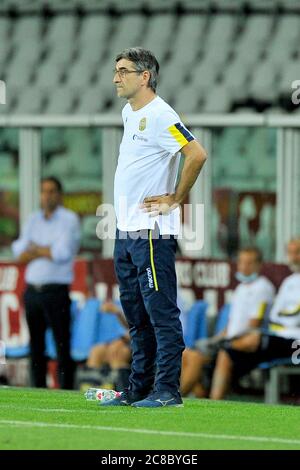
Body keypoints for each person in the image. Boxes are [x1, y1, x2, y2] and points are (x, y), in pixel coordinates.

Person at [102, 47, 207, 408]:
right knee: (136, 315)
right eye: (116, 70)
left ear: (144, 76)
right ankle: (139, 388)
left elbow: (196, 153)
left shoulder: (162, 115)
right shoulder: (129, 113)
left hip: (151, 232)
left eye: (123, 71)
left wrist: (176, 198)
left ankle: (168, 391)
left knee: (161, 313)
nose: (116, 77)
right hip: (125, 231)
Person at [12, 176, 81, 389]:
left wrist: (34, 249)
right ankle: (37, 389)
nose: (47, 195)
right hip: (33, 291)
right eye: (43, 191)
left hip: (56, 291)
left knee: (62, 344)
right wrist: (45, 249)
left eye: (51, 191)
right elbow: (18, 251)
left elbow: (62, 252)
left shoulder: (69, 219)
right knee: (36, 345)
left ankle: (66, 390)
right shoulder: (33, 219)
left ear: (59, 195)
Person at [210, 237, 300, 400]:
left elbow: (292, 316)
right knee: (212, 357)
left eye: (297, 253)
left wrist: (281, 320)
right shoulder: (289, 282)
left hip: (295, 342)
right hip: (278, 337)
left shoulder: (264, 287)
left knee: (253, 339)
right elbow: (275, 314)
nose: (293, 257)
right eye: (290, 253)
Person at [181, 247, 275, 398]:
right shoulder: (240, 288)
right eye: (241, 262)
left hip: (245, 346)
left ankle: (188, 399)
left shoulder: (262, 288)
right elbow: (231, 325)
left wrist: (227, 342)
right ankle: (196, 396)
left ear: (259, 265)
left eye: (249, 263)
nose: (244, 267)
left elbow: (254, 325)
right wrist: (215, 340)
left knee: (197, 358)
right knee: (186, 354)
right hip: (228, 341)